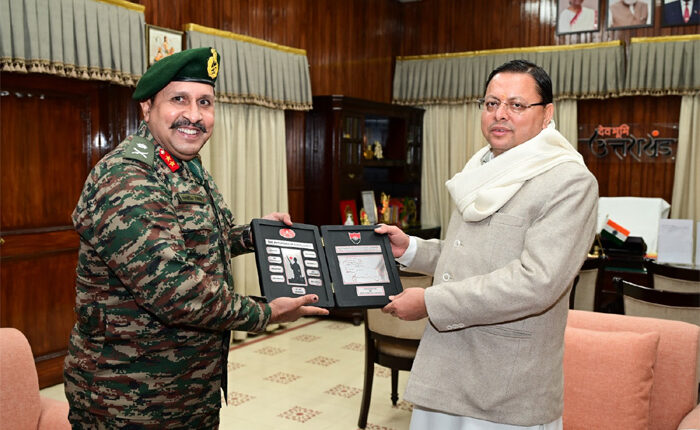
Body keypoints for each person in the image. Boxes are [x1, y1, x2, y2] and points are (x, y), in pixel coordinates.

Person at [64, 47, 329, 429]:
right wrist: (267, 313)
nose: (194, 115)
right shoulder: (128, 177)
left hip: (188, 389)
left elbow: (197, 243)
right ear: (147, 108)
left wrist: (253, 235)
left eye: (205, 102)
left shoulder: (185, 166)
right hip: (128, 398)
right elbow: (175, 290)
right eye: (179, 100)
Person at [377, 59, 598, 429]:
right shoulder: (480, 171)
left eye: (516, 105)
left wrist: (430, 302)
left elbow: (537, 282)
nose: (500, 114)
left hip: (505, 381)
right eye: (492, 103)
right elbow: (472, 254)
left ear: (547, 114)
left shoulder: (568, 181)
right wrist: (411, 249)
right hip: (445, 366)